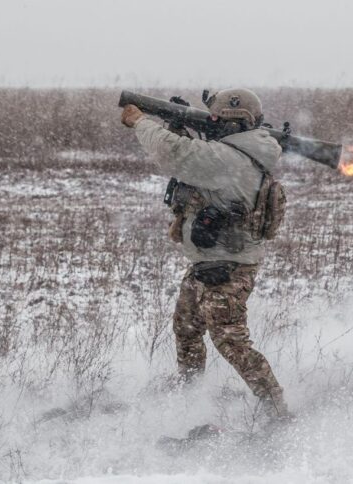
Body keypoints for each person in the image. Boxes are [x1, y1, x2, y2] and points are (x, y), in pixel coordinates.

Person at [121, 89, 289, 420]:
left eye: (216, 119)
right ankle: (191, 396)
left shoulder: (228, 159)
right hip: (209, 261)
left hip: (229, 268)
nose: (211, 122)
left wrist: (141, 121)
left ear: (231, 125)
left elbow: (176, 154)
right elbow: (192, 158)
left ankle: (277, 410)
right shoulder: (238, 152)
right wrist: (177, 124)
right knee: (186, 328)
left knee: (230, 342)